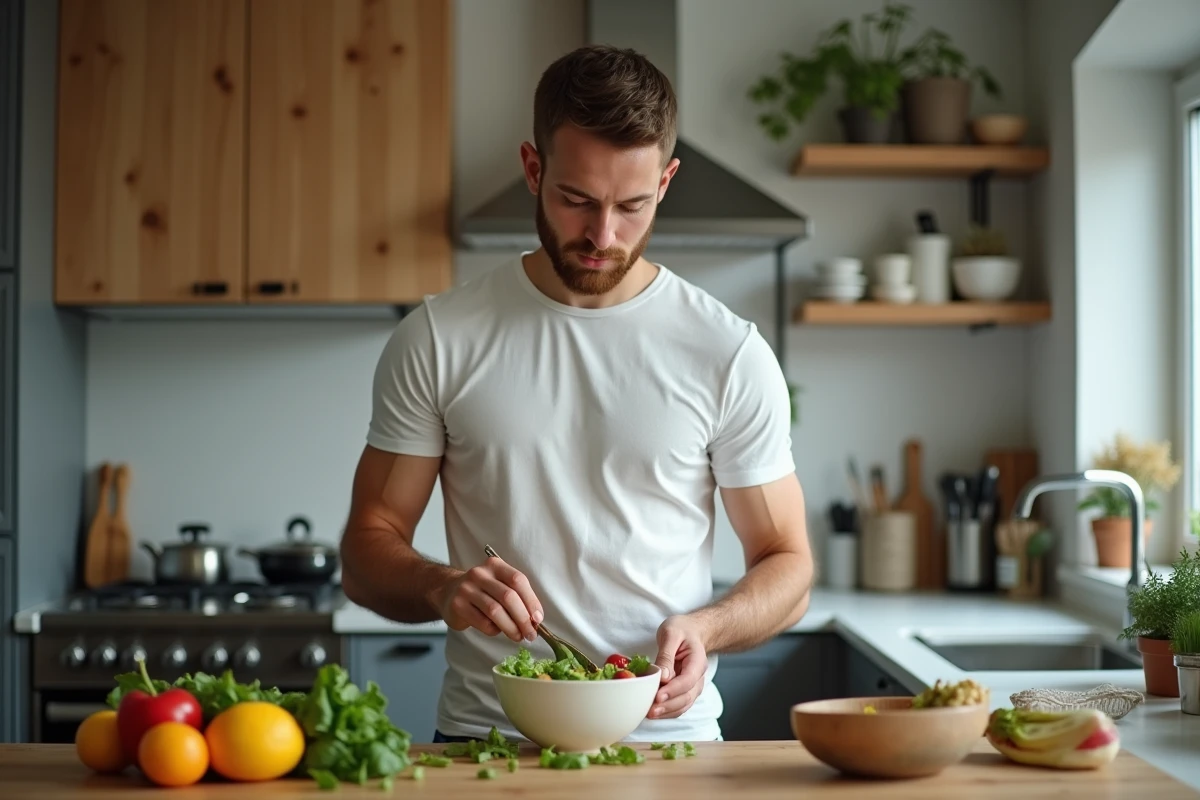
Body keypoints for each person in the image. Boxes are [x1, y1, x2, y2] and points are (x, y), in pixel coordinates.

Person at [340, 43, 814, 745]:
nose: (602, 234)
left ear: (667, 181)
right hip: (487, 744)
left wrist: (707, 628)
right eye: (576, 200)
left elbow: (788, 562)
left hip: (667, 746)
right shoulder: (440, 338)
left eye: (631, 205)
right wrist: (442, 586)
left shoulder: (728, 353)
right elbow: (366, 550)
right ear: (534, 169)